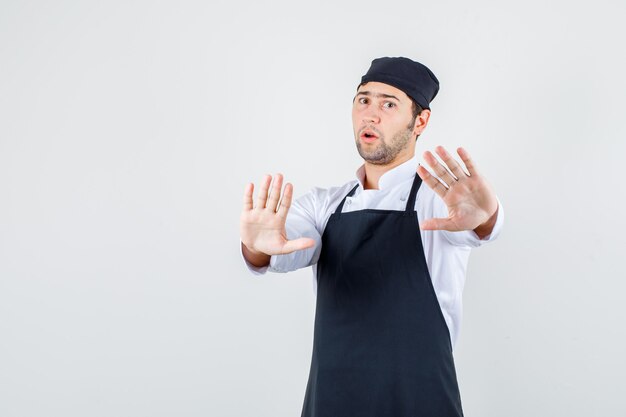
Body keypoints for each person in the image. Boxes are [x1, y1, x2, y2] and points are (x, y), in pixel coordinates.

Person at [239, 57, 504, 417]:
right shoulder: (324, 205)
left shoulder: (437, 200)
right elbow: (281, 248)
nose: (371, 115)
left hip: (420, 403)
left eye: (388, 104)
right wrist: (258, 246)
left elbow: (479, 227)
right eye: (363, 100)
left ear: (420, 121)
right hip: (332, 403)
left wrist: (485, 220)